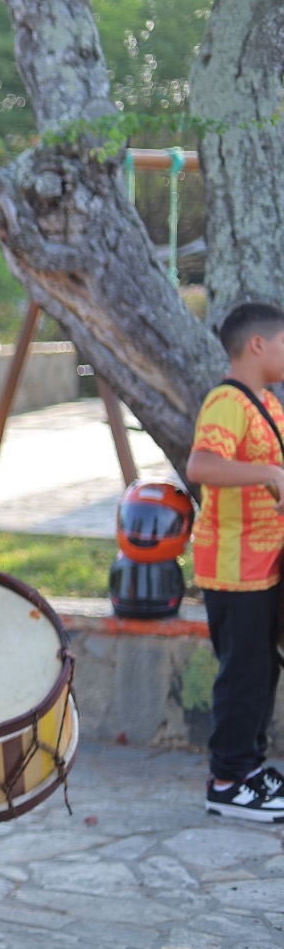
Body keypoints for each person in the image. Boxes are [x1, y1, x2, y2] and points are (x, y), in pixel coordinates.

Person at [185, 302, 284, 821]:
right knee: (243, 672)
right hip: (232, 564)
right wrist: (268, 474)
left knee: (262, 669)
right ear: (258, 345)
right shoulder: (227, 402)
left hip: (264, 563)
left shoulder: (268, 403)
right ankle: (226, 782)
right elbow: (201, 465)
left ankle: (249, 768)